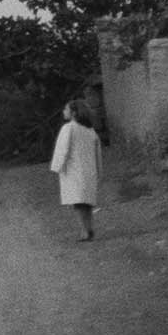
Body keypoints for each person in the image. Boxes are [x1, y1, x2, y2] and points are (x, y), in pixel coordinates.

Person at [49, 99, 103, 240]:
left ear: (73, 113)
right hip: (89, 170)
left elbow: (63, 149)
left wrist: (57, 166)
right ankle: (89, 228)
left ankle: (85, 231)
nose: (64, 112)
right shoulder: (90, 130)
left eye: (66, 109)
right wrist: (99, 171)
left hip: (74, 170)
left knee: (78, 203)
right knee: (86, 202)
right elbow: (98, 153)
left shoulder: (69, 128)